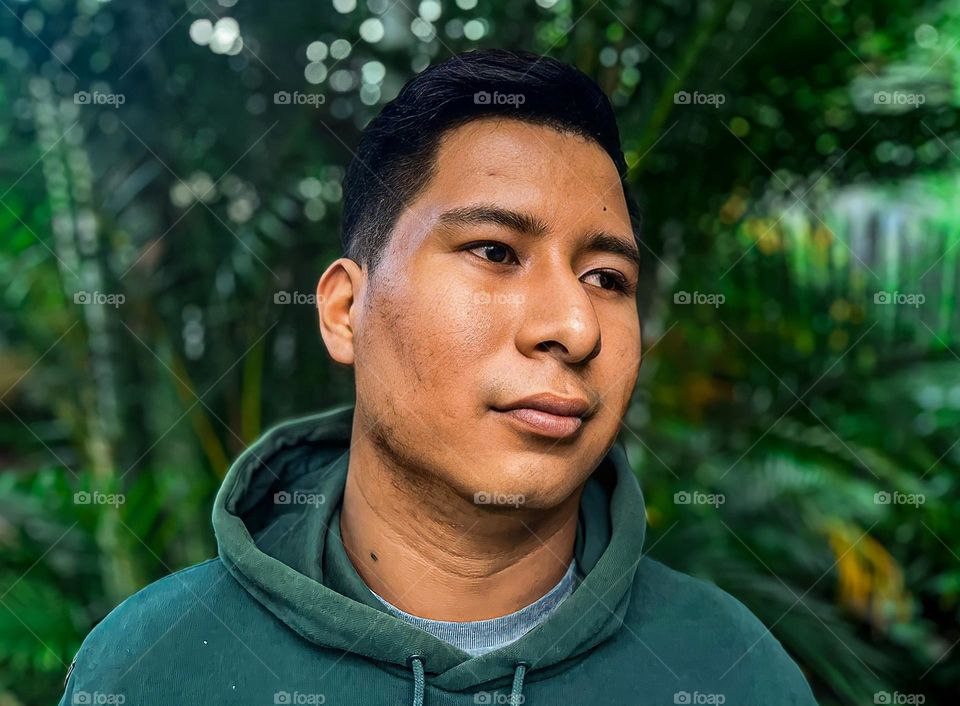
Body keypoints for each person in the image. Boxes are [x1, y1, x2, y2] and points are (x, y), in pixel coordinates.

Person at [59, 48, 818, 705]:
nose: (575, 326)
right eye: (494, 251)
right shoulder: (149, 668)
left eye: (607, 278)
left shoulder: (735, 671)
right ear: (344, 310)